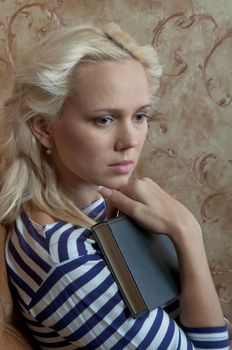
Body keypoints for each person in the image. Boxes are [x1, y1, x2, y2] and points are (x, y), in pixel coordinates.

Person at [0, 23, 229, 349]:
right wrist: (188, 234)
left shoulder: (103, 204)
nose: (130, 141)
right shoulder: (67, 263)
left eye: (140, 116)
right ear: (44, 127)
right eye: (104, 119)